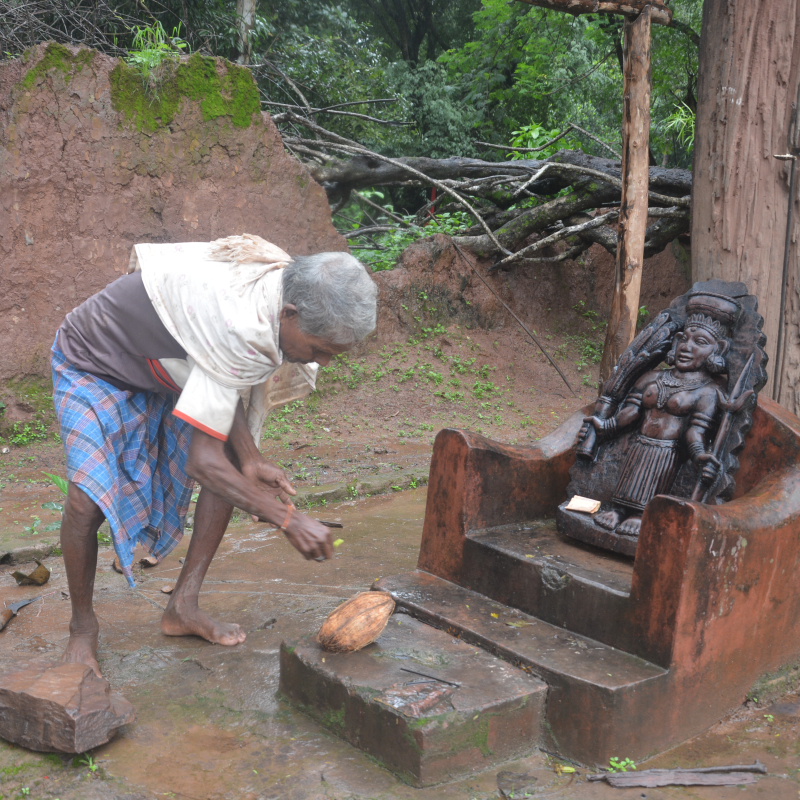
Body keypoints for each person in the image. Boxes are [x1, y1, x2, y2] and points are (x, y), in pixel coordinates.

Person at [51, 235, 378, 676]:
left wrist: (250, 457)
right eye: (319, 350)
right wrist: (287, 519)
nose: (320, 361)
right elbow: (202, 462)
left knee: (237, 471)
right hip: (95, 362)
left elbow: (221, 373)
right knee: (84, 501)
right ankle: (82, 629)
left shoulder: (275, 292)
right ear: (289, 315)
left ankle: (182, 607)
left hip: (173, 368)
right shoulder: (242, 320)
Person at [582, 309, 729, 538]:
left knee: (652, 485)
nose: (687, 347)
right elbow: (631, 413)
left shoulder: (708, 392)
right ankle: (619, 510)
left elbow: (695, 431)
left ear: (717, 349)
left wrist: (699, 455)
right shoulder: (652, 377)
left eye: (699, 342)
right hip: (638, 444)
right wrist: (607, 426)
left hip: (668, 452)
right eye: (684, 339)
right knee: (628, 482)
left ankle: (642, 516)